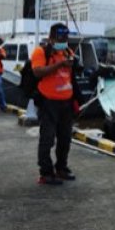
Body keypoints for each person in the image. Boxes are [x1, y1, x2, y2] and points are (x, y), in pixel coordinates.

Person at [32, 23, 77, 185]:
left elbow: (70, 76)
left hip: (66, 102)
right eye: (61, 37)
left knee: (65, 138)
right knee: (47, 138)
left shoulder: (67, 51)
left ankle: (61, 168)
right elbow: (37, 72)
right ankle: (45, 173)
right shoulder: (41, 51)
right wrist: (60, 64)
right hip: (48, 102)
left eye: (66, 37)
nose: (64, 40)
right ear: (51, 37)